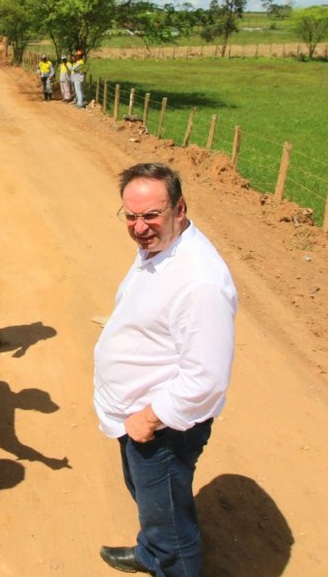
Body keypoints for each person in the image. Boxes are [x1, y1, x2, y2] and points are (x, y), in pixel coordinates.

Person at [94, 162, 238, 576]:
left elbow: (206, 378)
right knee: (151, 503)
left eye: (151, 215)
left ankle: (168, 560)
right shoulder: (161, 247)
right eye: (131, 216)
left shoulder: (199, 283)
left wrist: (149, 418)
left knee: (173, 528)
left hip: (163, 427)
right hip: (138, 415)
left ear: (180, 208)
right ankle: (150, 551)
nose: (140, 228)